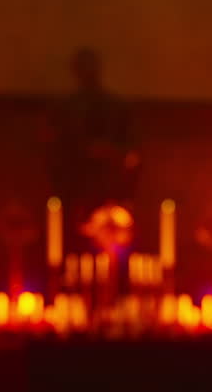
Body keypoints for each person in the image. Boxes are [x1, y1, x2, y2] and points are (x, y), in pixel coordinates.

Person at [46, 47, 141, 252]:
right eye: (83, 68)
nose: (88, 73)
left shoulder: (116, 107)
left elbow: (132, 148)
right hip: (76, 187)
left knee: (114, 247)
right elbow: (55, 148)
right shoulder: (65, 109)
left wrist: (111, 152)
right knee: (75, 246)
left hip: (112, 187)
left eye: (91, 68)